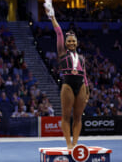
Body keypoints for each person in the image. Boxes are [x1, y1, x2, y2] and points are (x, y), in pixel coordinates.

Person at [49, 14, 89, 149]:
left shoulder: (82, 57)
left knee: (78, 117)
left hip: (81, 85)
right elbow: (59, 33)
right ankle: (68, 144)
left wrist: (87, 90)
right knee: (66, 116)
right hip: (67, 84)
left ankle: (75, 143)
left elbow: (85, 75)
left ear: (77, 42)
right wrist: (53, 18)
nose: (71, 43)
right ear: (65, 43)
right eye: (69, 41)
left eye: (73, 41)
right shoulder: (62, 53)